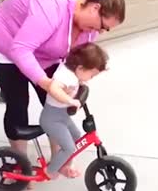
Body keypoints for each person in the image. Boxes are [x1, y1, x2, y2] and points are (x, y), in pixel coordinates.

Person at [0, 0, 125, 181]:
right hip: (5, 43)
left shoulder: (88, 28)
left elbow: (75, 59)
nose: (101, 32)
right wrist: (46, 83)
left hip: (42, 52)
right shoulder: (51, 6)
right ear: (94, 8)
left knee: (56, 104)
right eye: (103, 26)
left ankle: (59, 158)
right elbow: (21, 49)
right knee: (18, 102)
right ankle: (20, 165)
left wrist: (78, 79)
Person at [39, 42, 109, 179]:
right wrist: (70, 101)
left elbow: (74, 82)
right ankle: (51, 170)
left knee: (77, 138)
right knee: (69, 147)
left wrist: (80, 85)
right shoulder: (65, 76)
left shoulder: (73, 73)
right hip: (52, 119)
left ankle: (64, 165)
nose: (91, 79)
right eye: (91, 75)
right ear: (81, 68)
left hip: (62, 116)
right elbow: (54, 88)